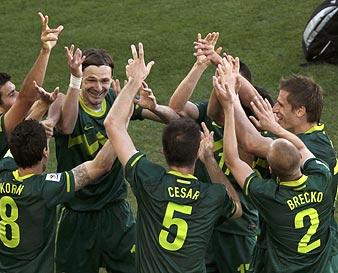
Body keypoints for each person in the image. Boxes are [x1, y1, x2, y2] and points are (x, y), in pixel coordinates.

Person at [104, 42, 242, 273]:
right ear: (197, 150)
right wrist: (208, 159)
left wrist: (134, 81)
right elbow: (237, 208)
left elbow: (113, 124)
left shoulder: (149, 178)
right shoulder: (212, 195)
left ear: (164, 151)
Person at [53, 45, 178, 273]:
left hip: (115, 213)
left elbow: (174, 120)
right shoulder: (66, 102)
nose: (99, 88)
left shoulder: (113, 99)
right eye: (91, 80)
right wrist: (74, 79)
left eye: (105, 81)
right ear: (81, 78)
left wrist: (156, 107)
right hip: (78, 215)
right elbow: (67, 125)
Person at [213, 66, 337, 272]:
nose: (273, 109)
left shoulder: (271, 196)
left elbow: (247, 147)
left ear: (300, 111)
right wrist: (230, 73)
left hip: (282, 257)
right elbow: (299, 146)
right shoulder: (319, 170)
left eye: (280, 104)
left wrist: (230, 101)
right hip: (317, 257)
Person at [169, 33, 259, 273]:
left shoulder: (253, 126)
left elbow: (242, 158)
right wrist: (201, 66)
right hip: (206, 219)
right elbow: (175, 106)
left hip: (237, 226)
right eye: (216, 81)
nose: (217, 87)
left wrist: (223, 65)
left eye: (223, 83)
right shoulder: (208, 115)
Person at [0, 119, 116, 273]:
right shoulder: (45, 189)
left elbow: (13, 147)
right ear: (45, 152)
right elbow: (101, 165)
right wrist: (118, 128)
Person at [0, 12, 63, 198]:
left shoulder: (2, 134)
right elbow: (27, 100)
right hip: (21, 211)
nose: (19, 94)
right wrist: (45, 51)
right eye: (12, 94)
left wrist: (44, 105)